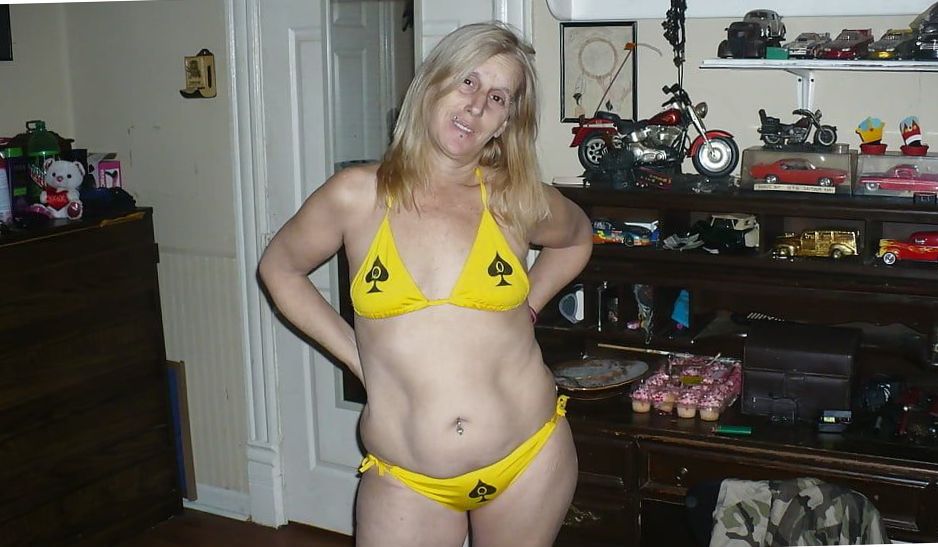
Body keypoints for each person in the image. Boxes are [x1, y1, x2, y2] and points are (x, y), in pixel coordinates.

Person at [258, 21, 593, 547]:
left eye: (497, 97)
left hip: (528, 456)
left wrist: (528, 302)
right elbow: (279, 269)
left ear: (505, 122)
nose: (476, 105)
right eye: (468, 81)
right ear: (432, 82)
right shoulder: (356, 195)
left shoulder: (515, 196)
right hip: (406, 476)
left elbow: (576, 238)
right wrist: (356, 356)